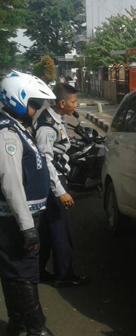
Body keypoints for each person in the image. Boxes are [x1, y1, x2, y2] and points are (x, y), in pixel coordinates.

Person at [0, 70, 55, 336]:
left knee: (13, 270)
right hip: (14, 220)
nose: (35, 110)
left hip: (19, 217)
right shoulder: (7, 134)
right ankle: (36, 328)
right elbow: (11, 184)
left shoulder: (16, 127)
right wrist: (26, 227)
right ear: (17, 99)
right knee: (24, 272)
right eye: (33, 103)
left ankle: (18, 324)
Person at [34, 83, 90, 288]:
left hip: (55, 179)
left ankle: (39, 272)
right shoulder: (47, 126)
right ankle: (64, 276)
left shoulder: (55, 118)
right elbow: (45, 160)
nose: (76, 105)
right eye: (73, 101)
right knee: (61, 232)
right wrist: (60, 192)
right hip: (54, 182)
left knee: (48, 232)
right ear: (62, 102)